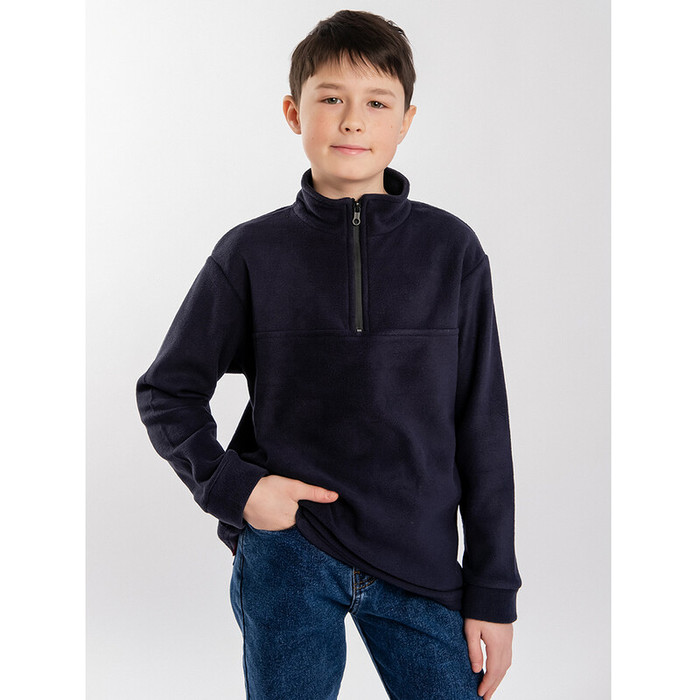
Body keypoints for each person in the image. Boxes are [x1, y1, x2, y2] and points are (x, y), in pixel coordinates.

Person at [136, 9, 522, 700]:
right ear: (294, 112)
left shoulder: (451, 251)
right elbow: (168, 390)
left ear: (405, 122)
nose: (352, 121)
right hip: (290, 551)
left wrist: (493, 590)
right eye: (331, 98)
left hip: (420, 560)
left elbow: (483, 426)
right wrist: (236, 488)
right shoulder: (250, 253)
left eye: (377, 103)